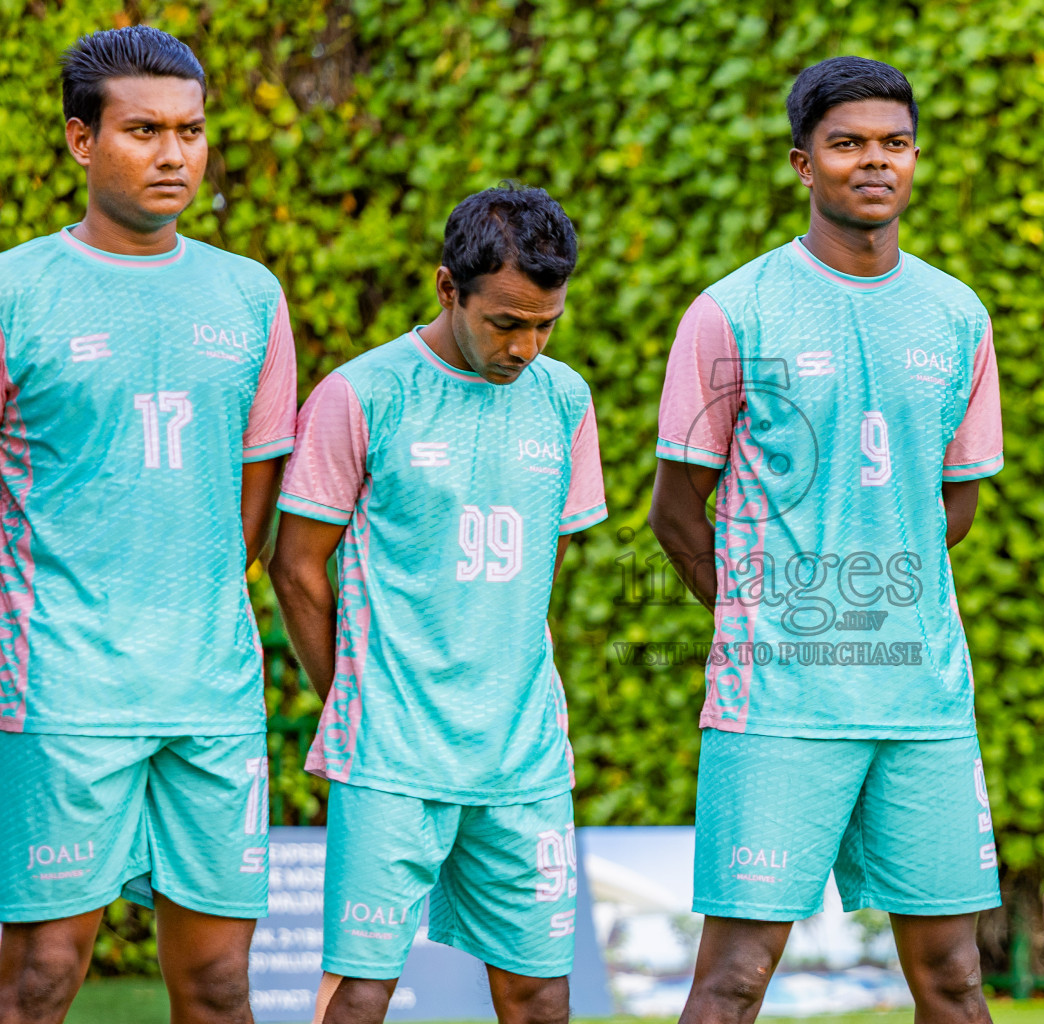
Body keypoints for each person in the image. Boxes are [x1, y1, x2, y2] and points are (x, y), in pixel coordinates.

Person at [649, 56, 1005, 1024]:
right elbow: (677, 509)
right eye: (848, 145)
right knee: (733, 978)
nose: (874, 163)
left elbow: (954, 504)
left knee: (956, 979)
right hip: (779, 701)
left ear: (916, 158)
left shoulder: (955, 313)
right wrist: (763, 618)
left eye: (893, 144)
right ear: (804, 164)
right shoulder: (734, 310)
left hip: (922, 698)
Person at [0, 25, 297, 1024]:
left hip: (210, 692)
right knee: (38, 977)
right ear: (83, 143)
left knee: (218, 988)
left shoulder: (249, 295)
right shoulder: (15, 289)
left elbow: (253, 502)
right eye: (143, 131)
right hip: (60, 688)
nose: (175, 155)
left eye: (193, 131)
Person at [269, 183, 604, 1024]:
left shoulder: (566, 400)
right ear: (448, 289)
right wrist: (353, 698)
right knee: (360, 993)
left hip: (522, 758)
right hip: (391, 754)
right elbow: (297, 568)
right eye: (506, 322)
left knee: (539, 994)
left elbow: (540, 569)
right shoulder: (362, 394)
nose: (527, 345)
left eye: (545, 324)